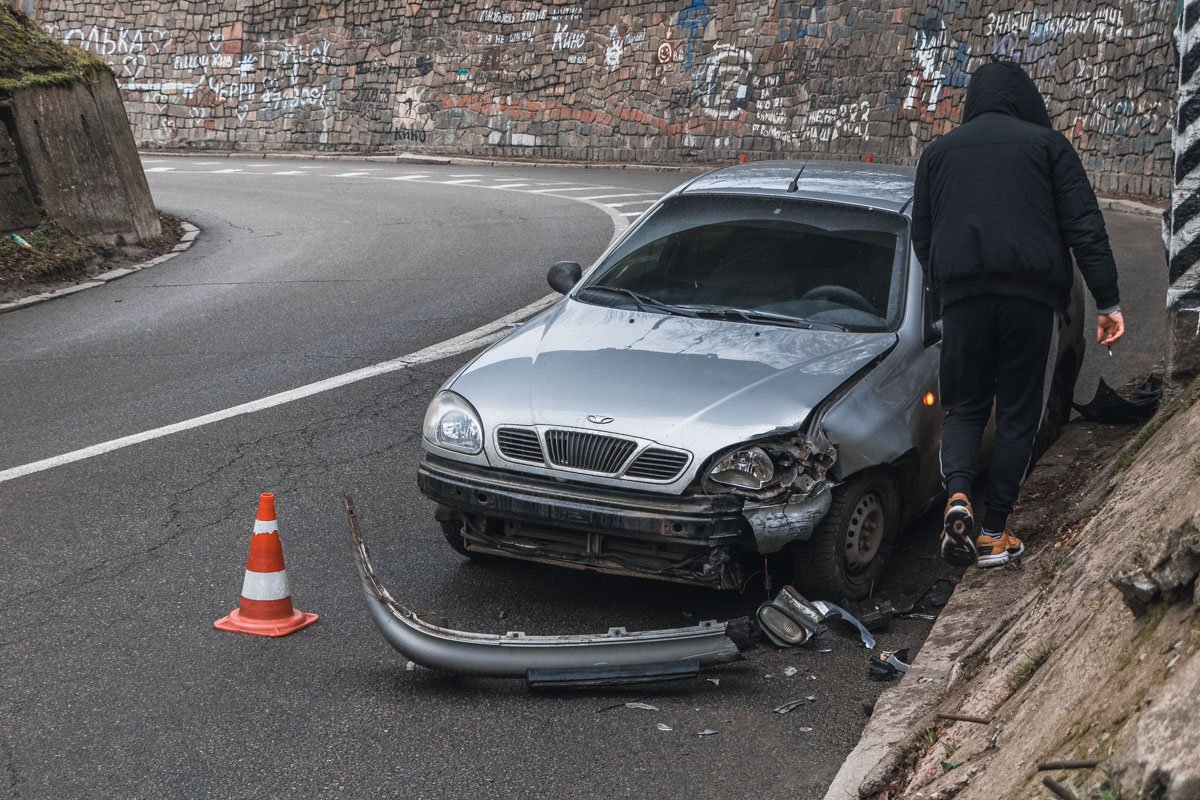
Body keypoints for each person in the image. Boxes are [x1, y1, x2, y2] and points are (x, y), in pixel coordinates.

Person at [911, 61, 1125, 569]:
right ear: (1026, 100)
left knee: (963, 407)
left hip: (964, 298)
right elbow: (1085, 227)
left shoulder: (937, 154)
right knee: (1018, 413)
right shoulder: (1050, 147)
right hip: (1030, 300)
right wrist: (1108, 301)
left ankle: (958, 495)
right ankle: (992, 532)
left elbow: (923, 235)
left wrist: (948, 286)